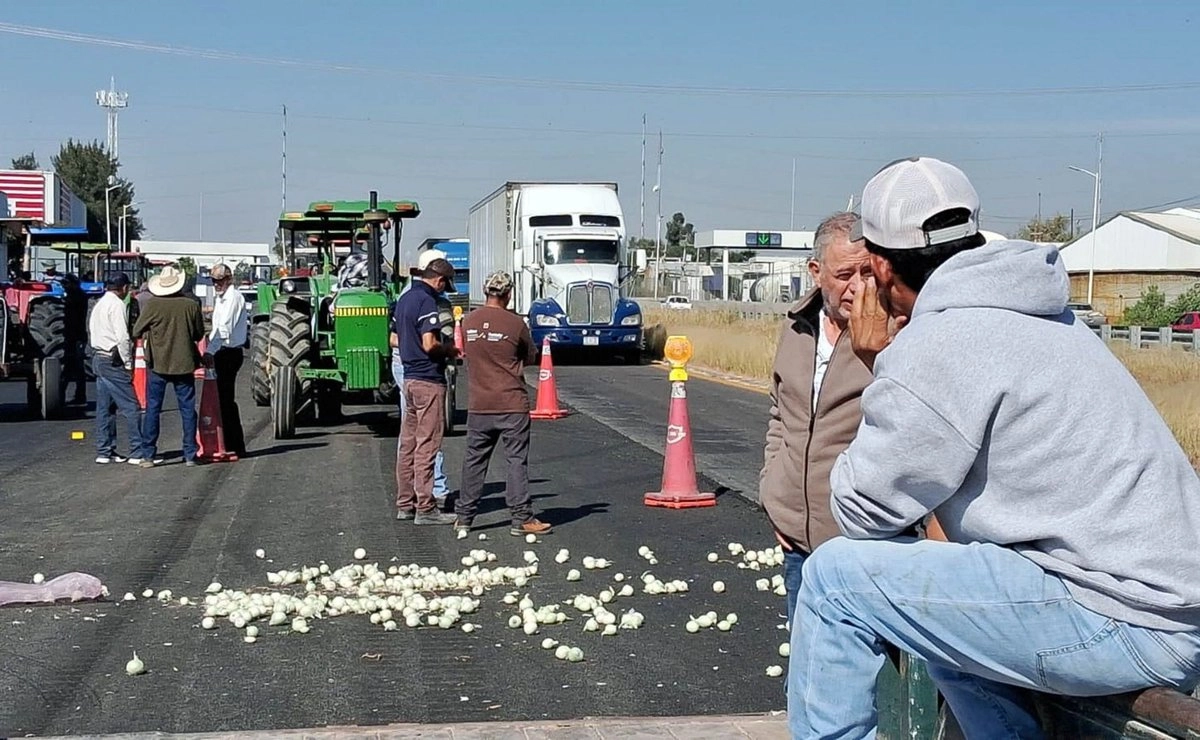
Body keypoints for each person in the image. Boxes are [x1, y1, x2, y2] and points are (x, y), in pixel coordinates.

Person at [787, 156, 1200, 739]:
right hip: (1164, 606)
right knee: (941, 621)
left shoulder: (941, 341)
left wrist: (878, 362)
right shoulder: (1046, 309)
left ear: (878, 265)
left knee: (834, 581)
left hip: (1123, 619)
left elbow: (862, 511)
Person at [759, 212, 873, 628]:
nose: (858, 286)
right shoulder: (796, 329)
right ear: (816, 271)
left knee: (863, 680)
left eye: (867, 271)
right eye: (845, 274)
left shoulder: (893, 336)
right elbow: (780, 414)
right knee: (805, 674)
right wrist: (773, 494)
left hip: (860, 544)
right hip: (796, 541)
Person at [456, 271, 552, 537]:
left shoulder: (467, 322)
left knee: (474, 461)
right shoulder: (515, 324)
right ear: (508, 294)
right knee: (515, 461)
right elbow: (530, 355)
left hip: (479, 404)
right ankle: (521, 518)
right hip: (511, 403)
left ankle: (464, 517)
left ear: (485, 292)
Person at [393, 257, 460, 524]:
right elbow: (430, 343)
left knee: (407, 445)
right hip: (428, 381)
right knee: (427, 445)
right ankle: (426, 507)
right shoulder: (427, 301)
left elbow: (392, 338)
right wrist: (450, 350)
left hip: (408, 379)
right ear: (439, 280)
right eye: (445, 285)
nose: (444, 290)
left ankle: (404, 504)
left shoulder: (404, 299)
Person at [132, 265, 206, 468]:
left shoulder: (153, 305)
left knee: (153, 409)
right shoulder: (190, 305)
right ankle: (190, 453)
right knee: (188, 410)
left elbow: (137, 330)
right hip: (184, 364)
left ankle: (148, 454)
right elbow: (199, 333)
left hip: (158, 364)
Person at [88, 272, 145, 465]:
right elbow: (123, 337)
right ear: (124, 288)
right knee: (132, 407)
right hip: (113, 359)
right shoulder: (117, 305)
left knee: (106, 407)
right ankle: (137, 451)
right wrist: (128, 364)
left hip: (98, 357)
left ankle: (105, 451)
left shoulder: (99, 305)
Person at [202, 263, 249, 458]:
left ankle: (235, 444)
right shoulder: (222, 299)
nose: (216, 284)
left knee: (226, 400)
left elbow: (223, 329)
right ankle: (228, 442)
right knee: (222, 400)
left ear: (229, 279)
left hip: (228, 352)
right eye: (214, 281)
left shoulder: (233, 298)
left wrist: (209, 351)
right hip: (223, 350)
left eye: (220, 280)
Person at [61, 273, 89, 405]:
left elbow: (73, 315)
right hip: (73, 335)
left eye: (66, 284)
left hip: (76, 335)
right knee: (73, 367)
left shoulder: (77, 296)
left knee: (75, 366)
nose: (65, 287)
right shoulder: (75, 296)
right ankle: (71, 394)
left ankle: (75, 394)